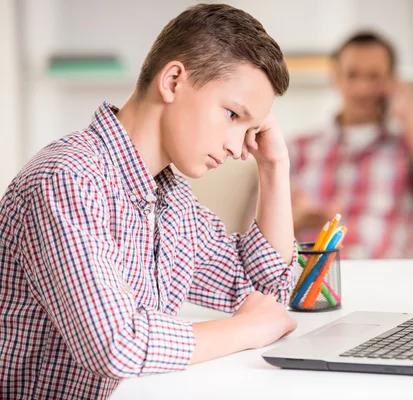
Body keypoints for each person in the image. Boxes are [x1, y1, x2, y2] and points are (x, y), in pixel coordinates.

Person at [0, 4, 298, 399]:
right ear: (173, 81)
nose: (237, 147)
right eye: (232, 115)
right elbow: (115, 345)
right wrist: (246, 329)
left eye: (251, 128)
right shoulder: (67, 181)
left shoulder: (170, 199)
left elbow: (266, 292)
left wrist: (274, 168)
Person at [289, 31, 413, 259]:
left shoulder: (408, 148)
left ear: (391, 82)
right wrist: (298, 221)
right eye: (352, 75)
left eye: (374, 76)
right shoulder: (297, 149)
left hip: (385, 280)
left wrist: (409, 118)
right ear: (335, 78)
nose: (362, 88)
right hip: (317, 282)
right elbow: (259, 241)